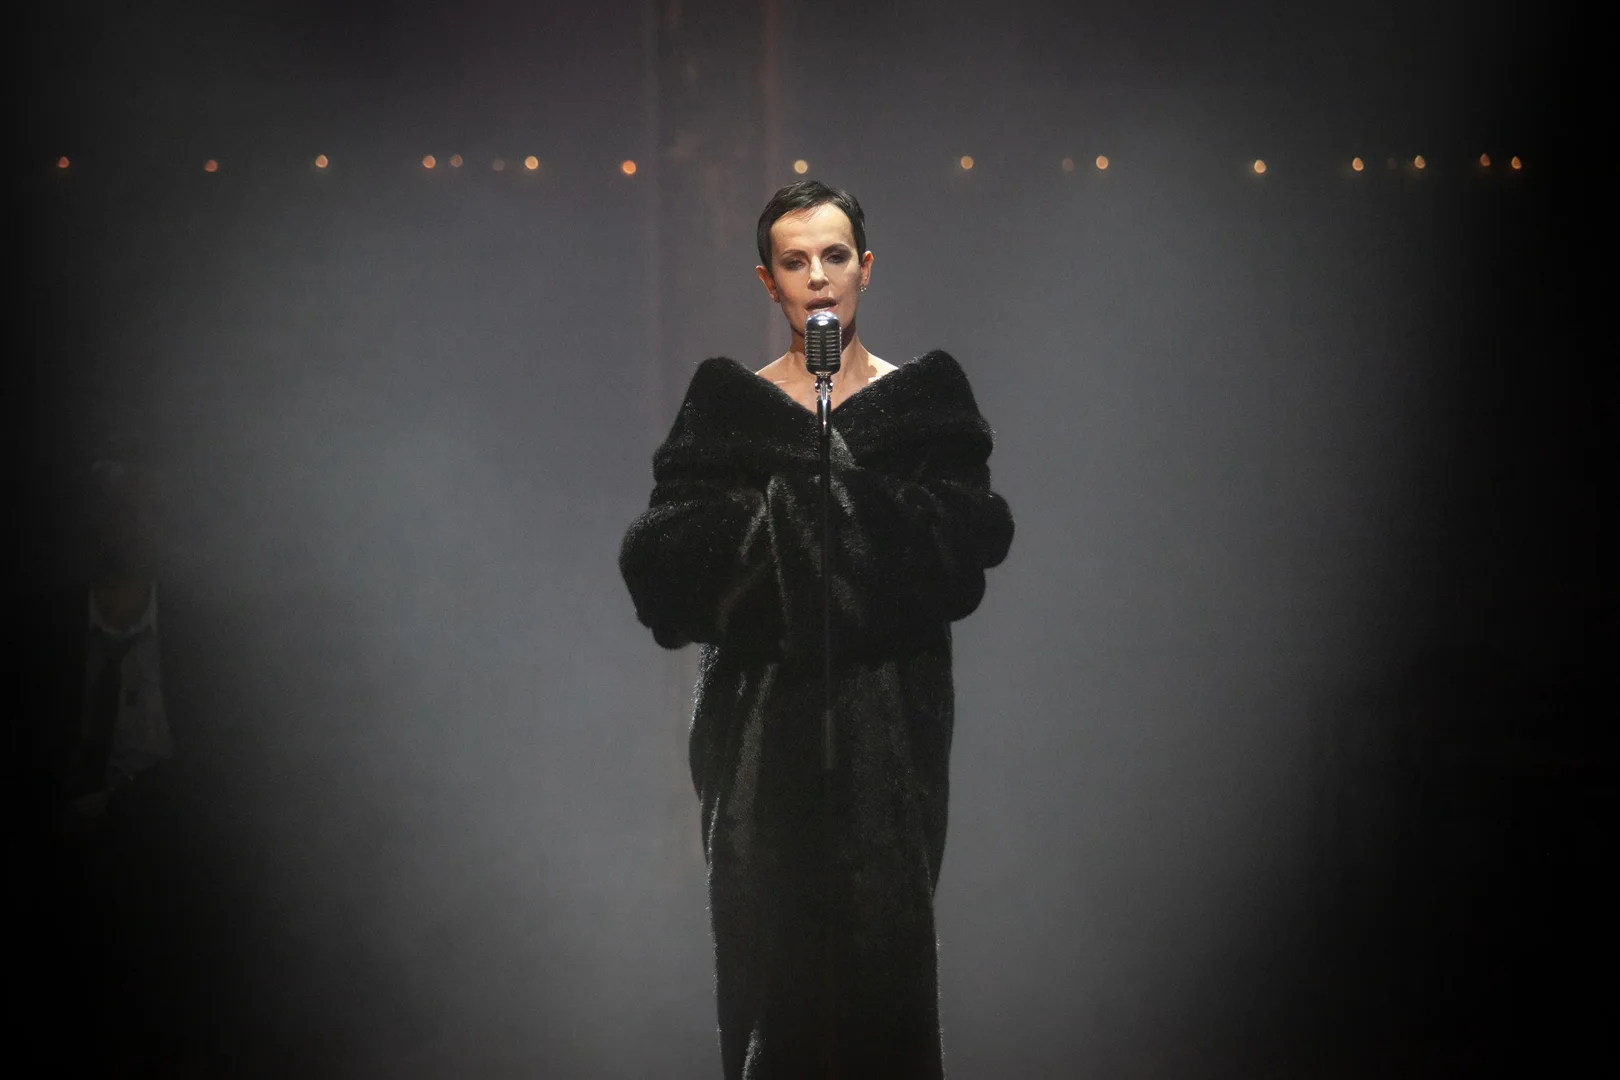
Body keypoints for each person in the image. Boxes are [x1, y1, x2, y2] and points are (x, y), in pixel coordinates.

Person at [620, 180, 1014, 1078]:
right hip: (758, 733)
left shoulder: (925, 402)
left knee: (882, 974)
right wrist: (837, 533)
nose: (819, 279)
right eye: (795, 262)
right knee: (774, 983)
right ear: (769, 282)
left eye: (835, 256)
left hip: (890, 725)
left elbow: (962, 546)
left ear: (865, 268)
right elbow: (664, 565)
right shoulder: (729, 408)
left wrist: (790, 525)